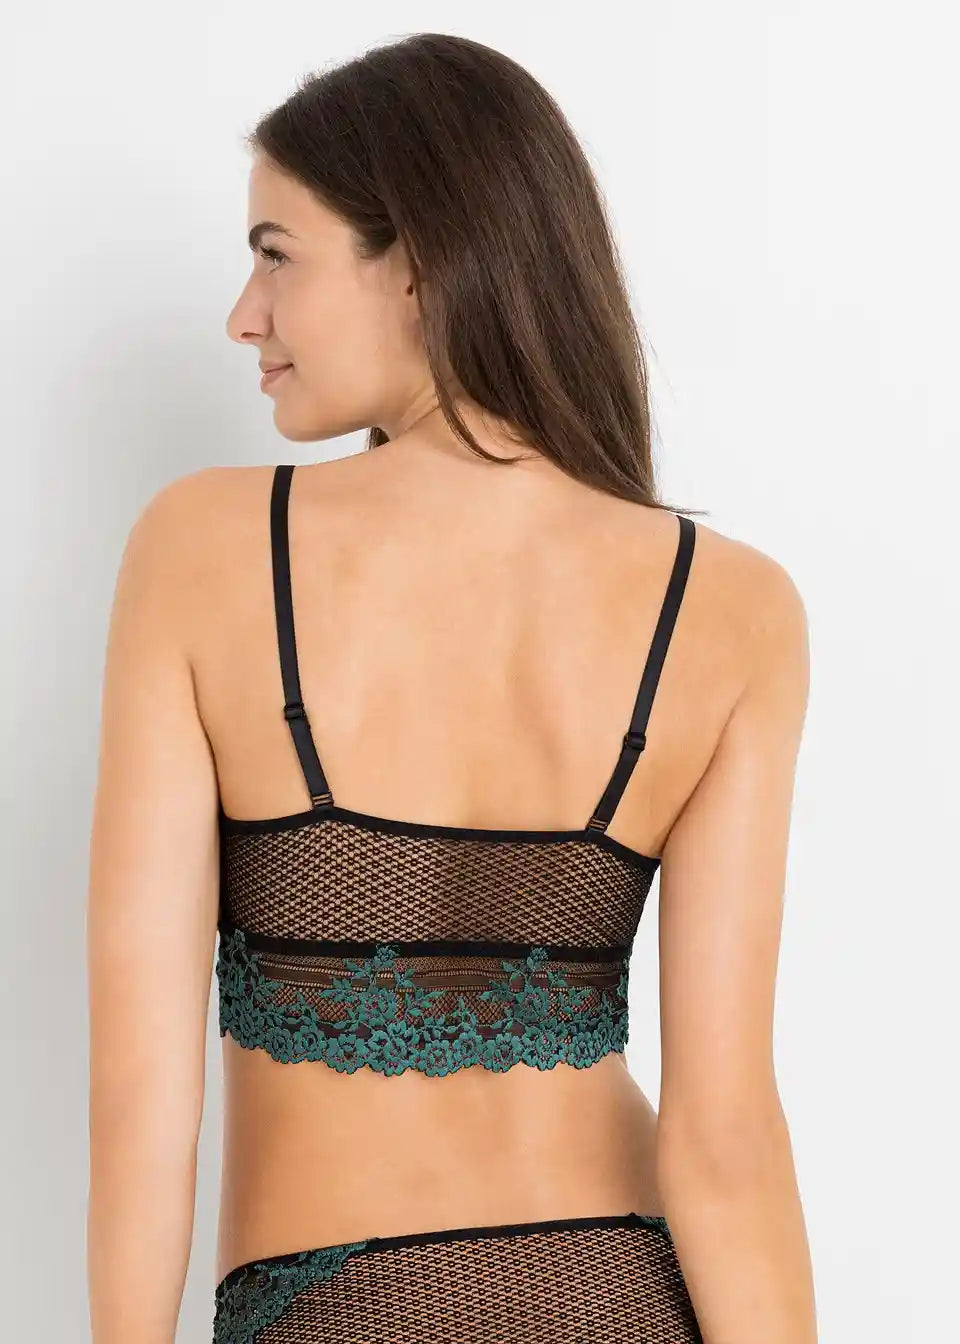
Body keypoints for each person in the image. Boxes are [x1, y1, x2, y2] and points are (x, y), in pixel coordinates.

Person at [86, 32, 817, 1344]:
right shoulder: (731, 607)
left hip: (331, 1311)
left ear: (417, 261)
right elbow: (725, 1142)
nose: (244, 315)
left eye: (275, 254)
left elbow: (145, 1106)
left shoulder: (204, 550)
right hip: (626, 1296)